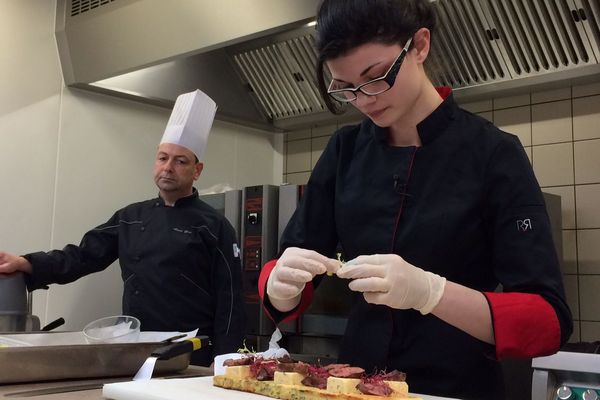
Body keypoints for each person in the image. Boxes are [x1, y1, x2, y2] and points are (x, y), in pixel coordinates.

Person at [258, 1, 572, 399]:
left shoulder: (493, 153)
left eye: (376, 77)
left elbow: (546, 320)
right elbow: (289, 265)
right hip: (354, 385)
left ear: (420, 45)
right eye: (346, 87)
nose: (365, 99)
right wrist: (279, 287)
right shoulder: (345, 150)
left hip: (456, 387)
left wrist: (430, 292)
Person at [0, 89, 245, 367]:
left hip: (192, 354)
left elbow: (232, 299)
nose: (168, 167)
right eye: (163, 158)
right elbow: (81, 256)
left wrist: (225, 358)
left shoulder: (214, 226)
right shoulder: (130, 217)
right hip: (137, 348)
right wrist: (27, 263)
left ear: (197, 170)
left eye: (180, 161)